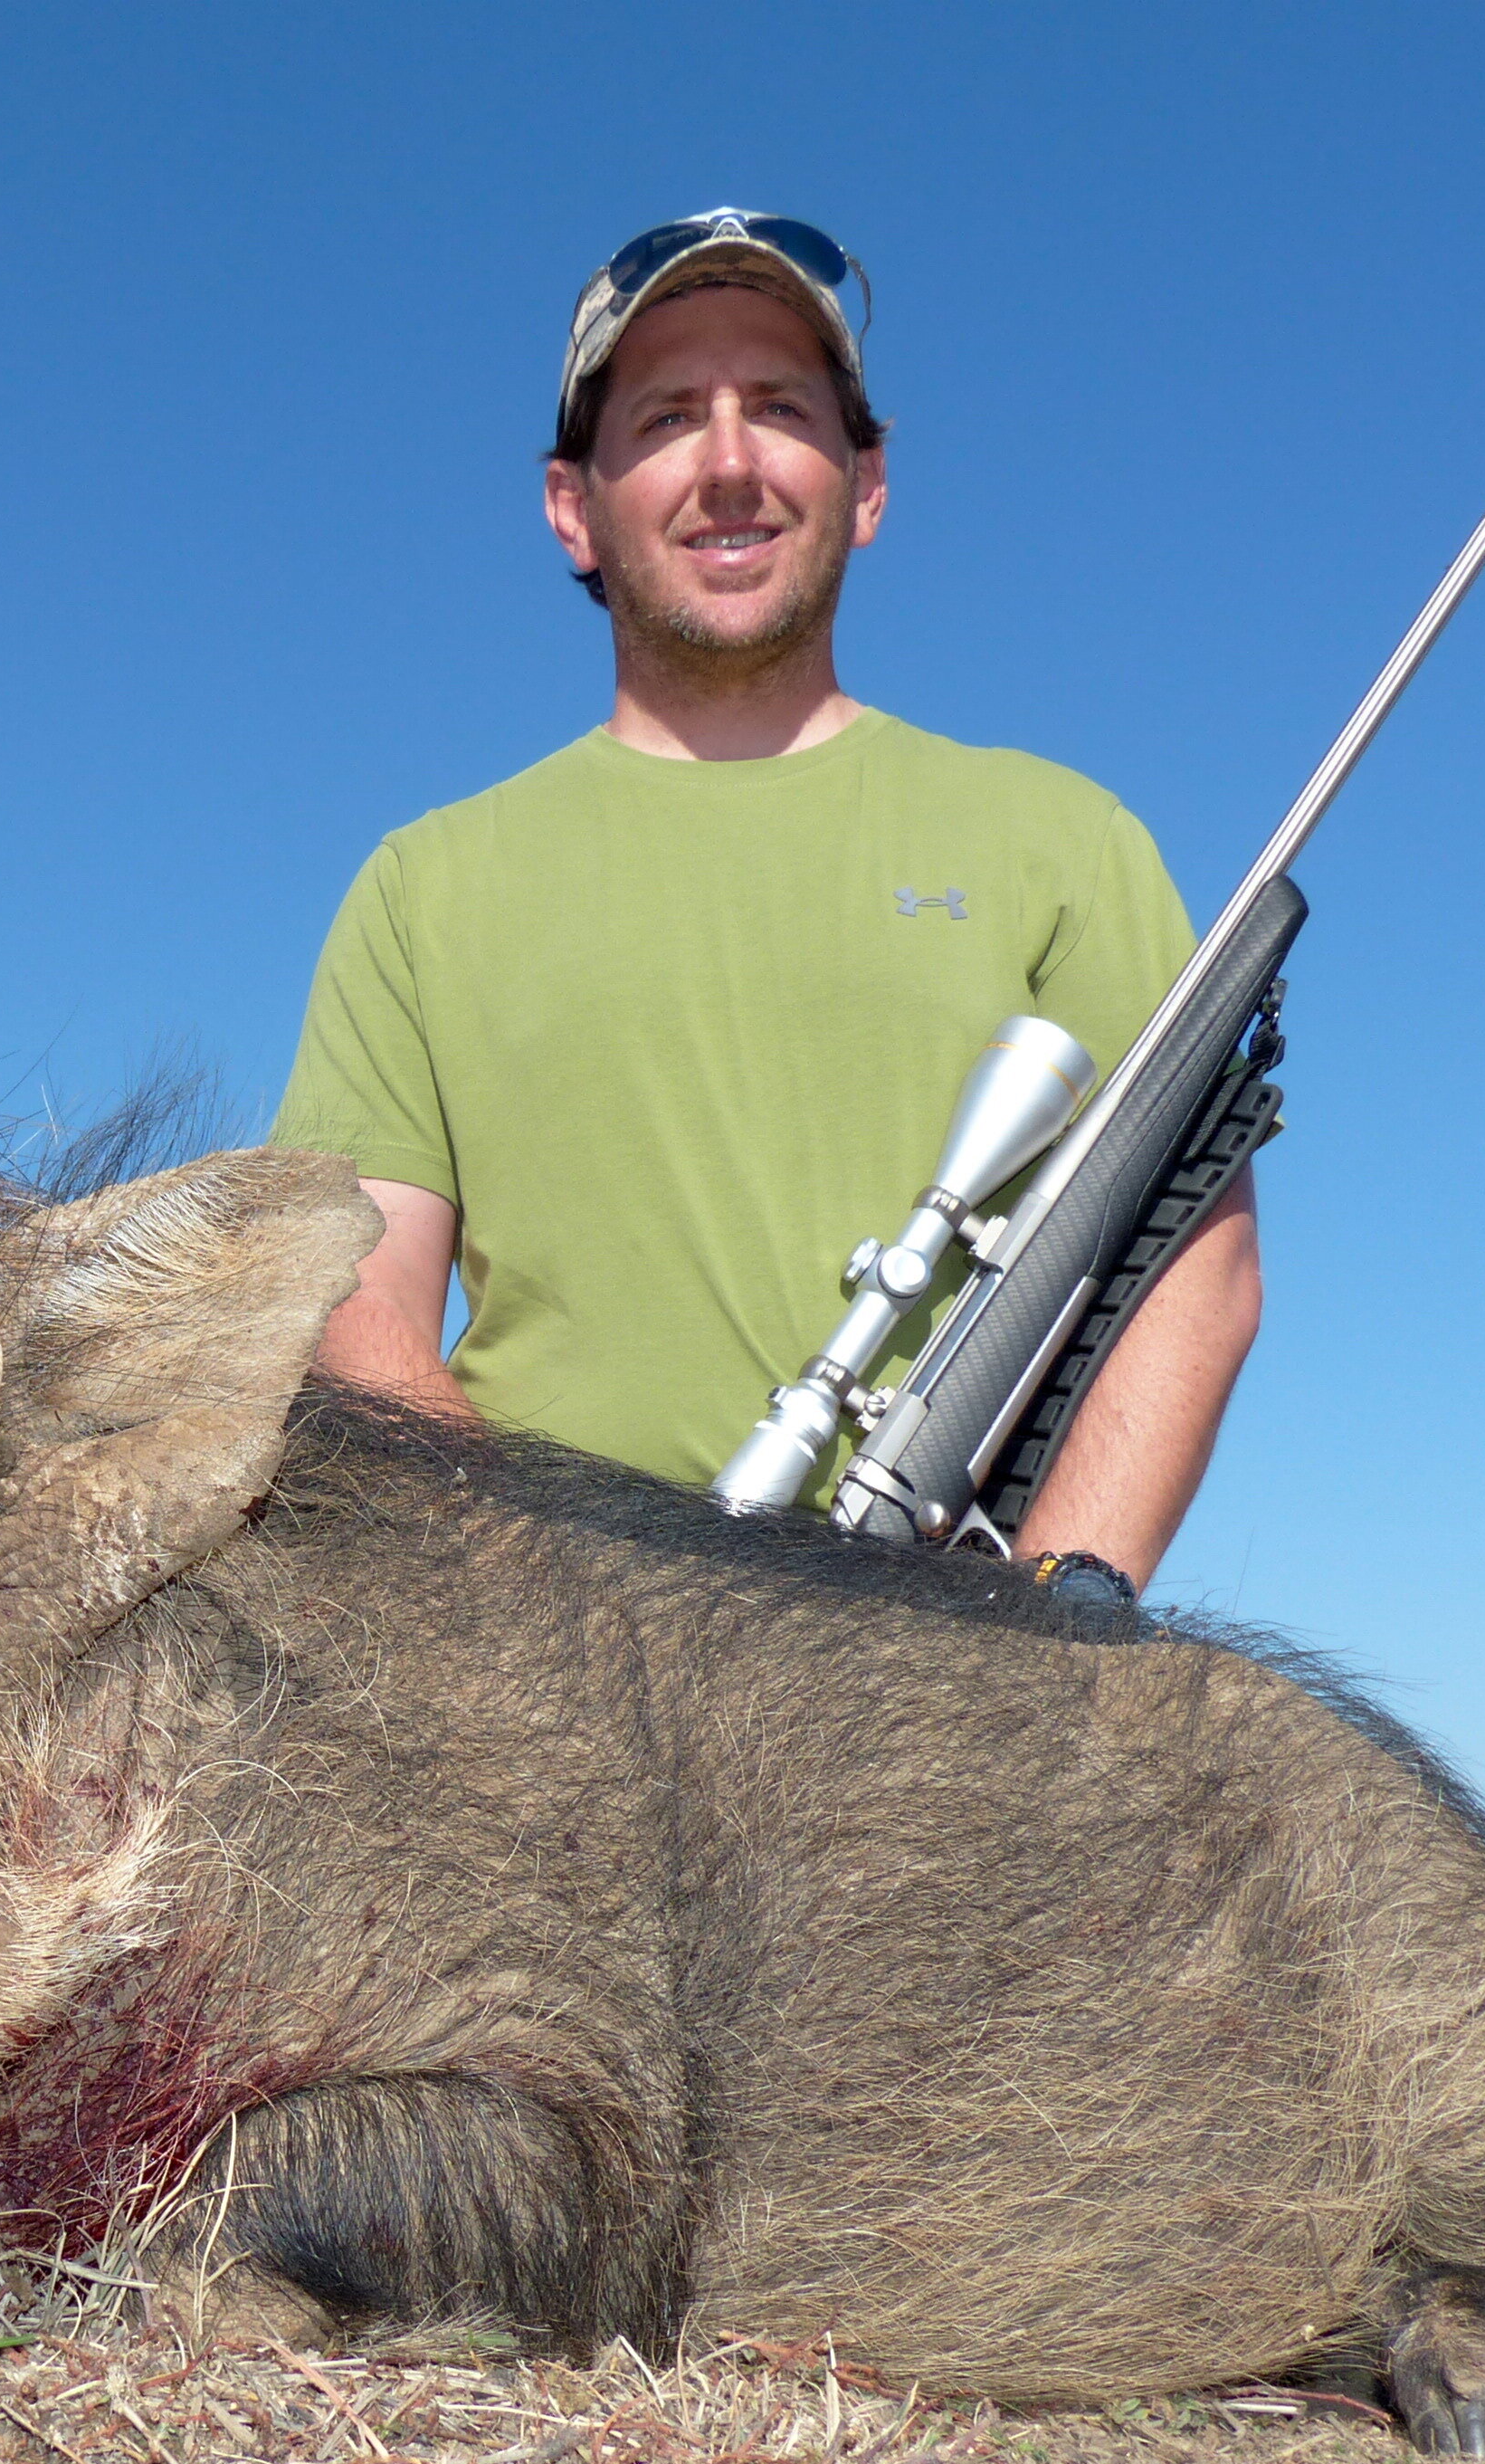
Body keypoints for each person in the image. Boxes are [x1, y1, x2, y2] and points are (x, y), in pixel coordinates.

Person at [267, 207, 1259, 1590]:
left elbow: (1195, 1272)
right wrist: (542, 1605)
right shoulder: (421, 887)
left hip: (941, 1673)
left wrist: (1056, 1619)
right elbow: (358, 1311)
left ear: (865, 483)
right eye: (669, 417)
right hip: (537, 1674)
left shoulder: (1066, 842)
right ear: (574, 507)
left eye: (780, 409)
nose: (729, 465)